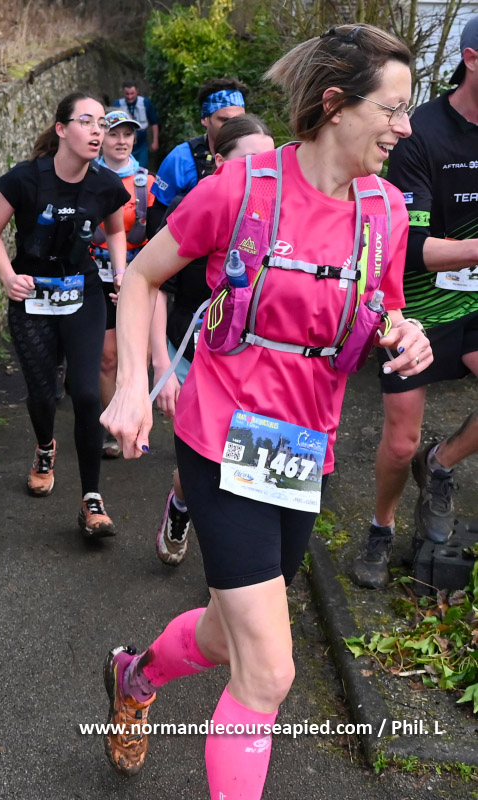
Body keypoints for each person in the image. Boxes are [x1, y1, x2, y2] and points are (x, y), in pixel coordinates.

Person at [100, 24, 432, 797]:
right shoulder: (243, 189)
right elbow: (142, 276)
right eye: (394, 109)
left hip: (301, 452)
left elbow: (383, 308)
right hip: (221, 439)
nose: (407, 128)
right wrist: (132, 386)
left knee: (229, 636)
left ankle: (134, 675)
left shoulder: (385, 210)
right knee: (269, 672)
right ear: (337, 105)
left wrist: (406, 333)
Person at [351, 15, 478, 590]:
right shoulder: (419, 133)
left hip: (474, 305)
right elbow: (413, 249)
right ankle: (381, 527)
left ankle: (442, 462)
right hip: (416, 308)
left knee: (423, 452)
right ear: (471, 59)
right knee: (399, 443)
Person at [0, 92, 129, 538]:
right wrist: (8, 276)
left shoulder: (105, 184)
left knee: (85, 392)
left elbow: (116, 229)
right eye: (87, 121)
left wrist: (121, 271)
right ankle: (45, 447)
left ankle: (92, 499)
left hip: (82, 293)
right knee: (43, 394)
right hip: (32, 297)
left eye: (102, 123)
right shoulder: (25, 179)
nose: (98, 131)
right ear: (62, 129)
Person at [151, 114, 275, 566]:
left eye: (272, 162)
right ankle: (182, 505)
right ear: (220, 162)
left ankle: (236, 575)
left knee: (242, 473)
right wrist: (162, 368)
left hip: (258, 364)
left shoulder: (284, 219)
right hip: (192, 353)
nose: (265, 174)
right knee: (205, 464)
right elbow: (153, 286)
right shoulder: (198, 210)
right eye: (251, 161)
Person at [92, 108, 156, 458]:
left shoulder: (148, 184)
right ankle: (111, 427)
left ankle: (136, 416)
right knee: (107, 356)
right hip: (97, 274)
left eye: (127, 134)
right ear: (101, 137)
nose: (121, 141)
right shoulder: (86, 179)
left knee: (140, 354)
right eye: (114, 134)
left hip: (139, 275)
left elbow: (161, 234)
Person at [150, 77, 248, 220]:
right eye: (224, 120)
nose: (233, 127)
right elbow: (158, 213)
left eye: (239, 120)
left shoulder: (256, 155)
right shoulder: (181, 158)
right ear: (205, 119)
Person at [113, 81, 159, 168]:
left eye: (132, 93)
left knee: (142, 166)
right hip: (124, 142)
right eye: (127, 94)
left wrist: (155, 141)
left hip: (142, 142)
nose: (130, 97)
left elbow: (154, 122)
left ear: (137, 91)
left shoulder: (145, 103)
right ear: (123, 92)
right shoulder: (118, 104)